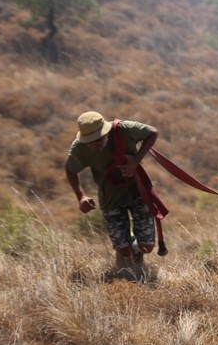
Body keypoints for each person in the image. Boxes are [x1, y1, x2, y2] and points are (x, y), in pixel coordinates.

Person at [65, 110, 160, 277]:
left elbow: (152, 133)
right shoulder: (79, 149)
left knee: (147, 246)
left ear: (106, 132)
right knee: (123, 251)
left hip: (138, 192)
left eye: (99, 139)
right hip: (110, 199)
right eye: (90, 142)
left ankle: (136, 253)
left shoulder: (124, 129)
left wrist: (135, 160)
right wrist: (81, 196)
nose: (95, 144)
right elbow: (70, 169)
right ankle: (129, 275)